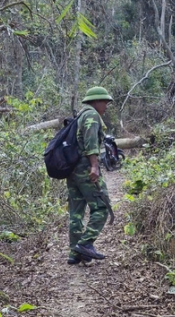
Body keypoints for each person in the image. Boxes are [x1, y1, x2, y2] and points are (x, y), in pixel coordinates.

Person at [66, 86, 113, 265]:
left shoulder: (79, 116)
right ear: (96, 101)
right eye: (105, 102)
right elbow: (90, 142)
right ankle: (85, 243)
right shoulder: (92, 116)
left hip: (72, 171)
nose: (106, 106)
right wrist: (94, 165)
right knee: (101, 208)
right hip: (86, 170)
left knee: (76, 213)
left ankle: (74, 253)